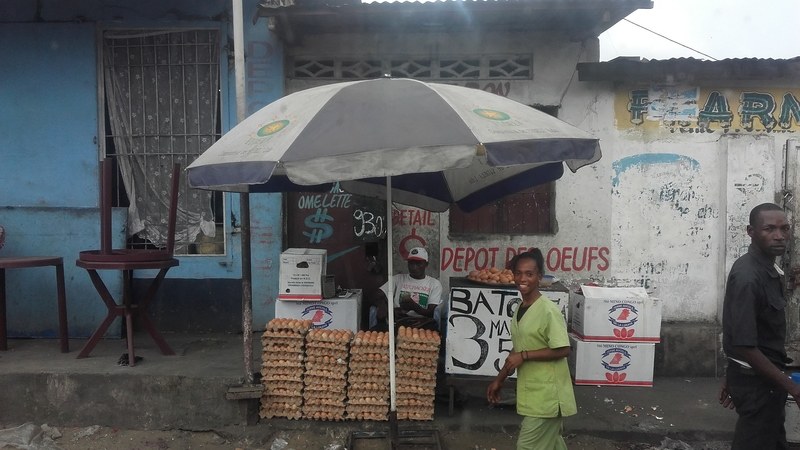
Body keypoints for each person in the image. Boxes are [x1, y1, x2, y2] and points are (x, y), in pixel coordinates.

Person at [720, 202, 800, 449]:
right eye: (769, 229)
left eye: (784, 229)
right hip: (757, 385)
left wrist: (731, 375)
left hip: (763, 381)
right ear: (750, 231)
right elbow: (744, 344)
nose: (779, 236)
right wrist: (793, 387)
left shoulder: (768, 267)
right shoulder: (748, 275)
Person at [486, 249, 576, 450]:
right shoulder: (521, 307)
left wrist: (524, 356)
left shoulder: (548, 310)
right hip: (536, 394)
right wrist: (499, 379)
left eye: (529, 273)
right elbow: (517, 349)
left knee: (526, 446)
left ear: (539, 277)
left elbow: (563, 349)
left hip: (548, 397)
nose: (522, 278)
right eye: (518, 273)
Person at [368, 247, 443, 331]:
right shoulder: (397, 279)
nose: (414, 267)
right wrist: (384, 306)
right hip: (398, 321)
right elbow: (373, 296)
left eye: (418, 263)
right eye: (411, 263)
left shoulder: (434, 284)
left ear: (426, 264)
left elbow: (431, 312)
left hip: (421, 323)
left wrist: (413, 306)